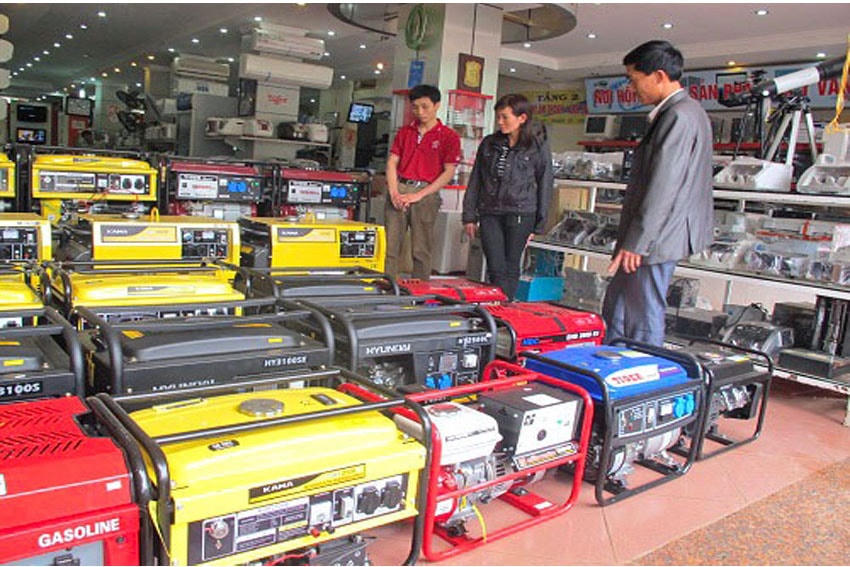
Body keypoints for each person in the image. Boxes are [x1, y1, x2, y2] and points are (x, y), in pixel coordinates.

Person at [601, 40, 714, 346]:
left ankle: (645, 367)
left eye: (634, 79)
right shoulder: (683, 112)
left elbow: (664, 185)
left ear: (659, 76)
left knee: (643, 311)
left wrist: (637, 242)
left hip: (657, 234)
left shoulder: (679, 116)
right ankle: (611, 359)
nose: (632, 88)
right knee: (619, 302)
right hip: (653, 232)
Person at [462, 94, 553, 300]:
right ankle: (499, 305)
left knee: (512, 265)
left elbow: (545, 183)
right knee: (495, 265)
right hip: (490, 211)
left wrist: (539, 225)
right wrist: (469, 215)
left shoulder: (537, 146)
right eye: (498, 117)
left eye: (505, 117)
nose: (500, 122)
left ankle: (504, 306)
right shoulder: (489, 143)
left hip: (522, 212)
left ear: (522, 118)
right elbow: (476, 179)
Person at [385, 84, 461, 280]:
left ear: (437, 105)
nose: (420, 112)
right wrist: (394, 192)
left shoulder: (449, 136)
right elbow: (392, 162)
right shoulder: (405, 132)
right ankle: (387, 287)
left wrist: (418, 195)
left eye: (425, 106)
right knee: (390, 246)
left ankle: (419, 291)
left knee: (421, 249)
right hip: (400, 188)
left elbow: (448, 172)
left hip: (426, 193)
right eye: (415, 107)